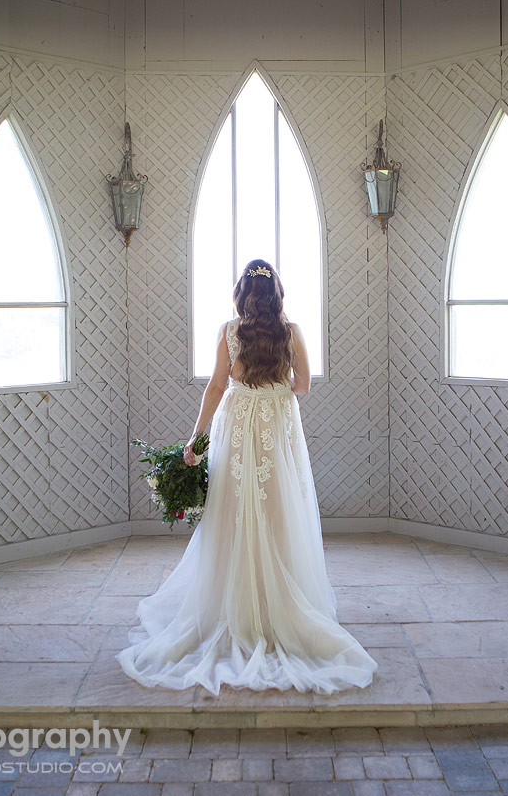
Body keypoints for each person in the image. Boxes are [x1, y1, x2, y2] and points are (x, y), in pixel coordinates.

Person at [117, 259, 377, 695]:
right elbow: (305, 385)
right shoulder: (291, 332)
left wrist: (195, 440)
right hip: (275, 429)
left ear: (242, 294)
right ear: (276, 294)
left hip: (237, 428)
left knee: (233, 512)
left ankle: (233, 609)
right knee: (279, 511)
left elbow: (216, 388)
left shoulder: (228, 332)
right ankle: (277, 608)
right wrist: (275, 395)